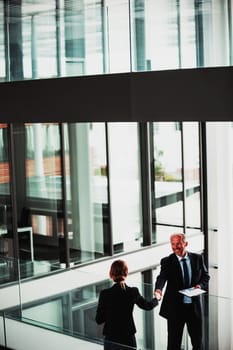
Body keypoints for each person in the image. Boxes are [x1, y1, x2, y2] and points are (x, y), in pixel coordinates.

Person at [154, 233, 210, 350]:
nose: (175, 247)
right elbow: (162, 277)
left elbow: (206, 276)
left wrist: (200, 285)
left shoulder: (197, 258)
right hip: (175, 310)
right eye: (173, 244)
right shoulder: (167, 261)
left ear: (185, 243)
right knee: (173, 345)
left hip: (193, 309)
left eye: (178, 243)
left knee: (197, 343)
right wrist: (158, 290)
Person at [96, 259, 160, 350]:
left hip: (111, 338)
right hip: (127, 338)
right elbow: (147, 306)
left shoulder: (105, 294)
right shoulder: (132, 291)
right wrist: (156, 299)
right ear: (126, 273)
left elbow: (99, 319)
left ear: (111, 274)